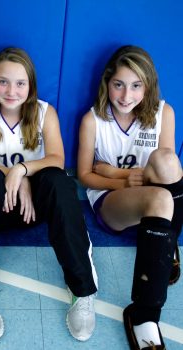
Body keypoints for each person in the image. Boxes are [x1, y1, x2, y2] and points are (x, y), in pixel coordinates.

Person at [0, 47, 98, 343]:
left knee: (59, 181)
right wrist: (12, 176)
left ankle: (82, 291)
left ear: (31, 85)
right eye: (3, 81)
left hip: (32, 207)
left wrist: (22, 171)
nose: (11, 90)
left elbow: (57, 158)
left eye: (20, 83)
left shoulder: (45, 112)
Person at [77, 45, 183, 350]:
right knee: (162, 198)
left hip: (151, 192)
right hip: (113, 200)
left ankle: (167, 243)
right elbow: (85, 175)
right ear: (107, 83)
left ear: (147, 86)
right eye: (118, 85)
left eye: (136, 86)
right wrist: (120, 180)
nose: (126, 96)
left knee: (168, 162)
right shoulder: (93, 120)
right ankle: (143, 316)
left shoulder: (164, 113)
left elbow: (166, 171)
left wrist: (113, 170)